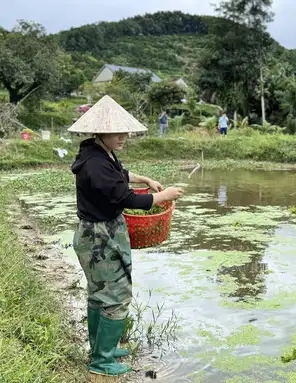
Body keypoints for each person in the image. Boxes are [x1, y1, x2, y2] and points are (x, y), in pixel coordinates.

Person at [68, 97, 183, 377]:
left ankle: (101, 349)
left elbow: (119, 175)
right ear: (100, 131)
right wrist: (161, 197)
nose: (123, 137)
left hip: (100, 232)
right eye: (117, 132)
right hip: (98, 238)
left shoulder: (98, 153)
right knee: (116, 295)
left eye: (125, 131)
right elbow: (123, 196)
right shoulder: (95, 163)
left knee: (100, 294)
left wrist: (144, 179)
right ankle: (101, 361)